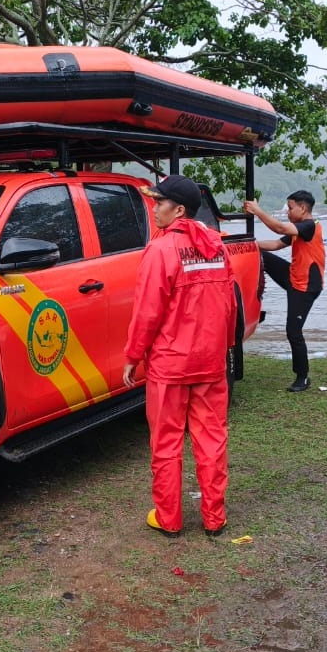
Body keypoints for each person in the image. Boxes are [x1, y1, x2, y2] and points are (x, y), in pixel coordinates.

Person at [123, 175, 237, 538]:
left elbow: (147, 312)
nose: (154, 208)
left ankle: (169, 518)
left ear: (179, 210)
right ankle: (214, 518)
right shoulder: (217, 246)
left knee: (167, 442)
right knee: (212, 439)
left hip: (170, 364)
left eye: (159, 203)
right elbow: (229, 304)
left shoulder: (160, 250)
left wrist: (133, 355)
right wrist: (225, 348)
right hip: (209, 362)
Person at [243, 190, 326, 392]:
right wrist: (247, 244)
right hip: (293, 277)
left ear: (303, 208)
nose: (288, 212)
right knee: (260, 253)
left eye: (290, 208)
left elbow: (279, 227)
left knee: (293, 332)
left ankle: (303, 377)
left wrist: (257, 210)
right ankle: (253, 293)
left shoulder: (308, 226)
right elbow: (275, 244)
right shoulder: (298, 230)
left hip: (305, 287)